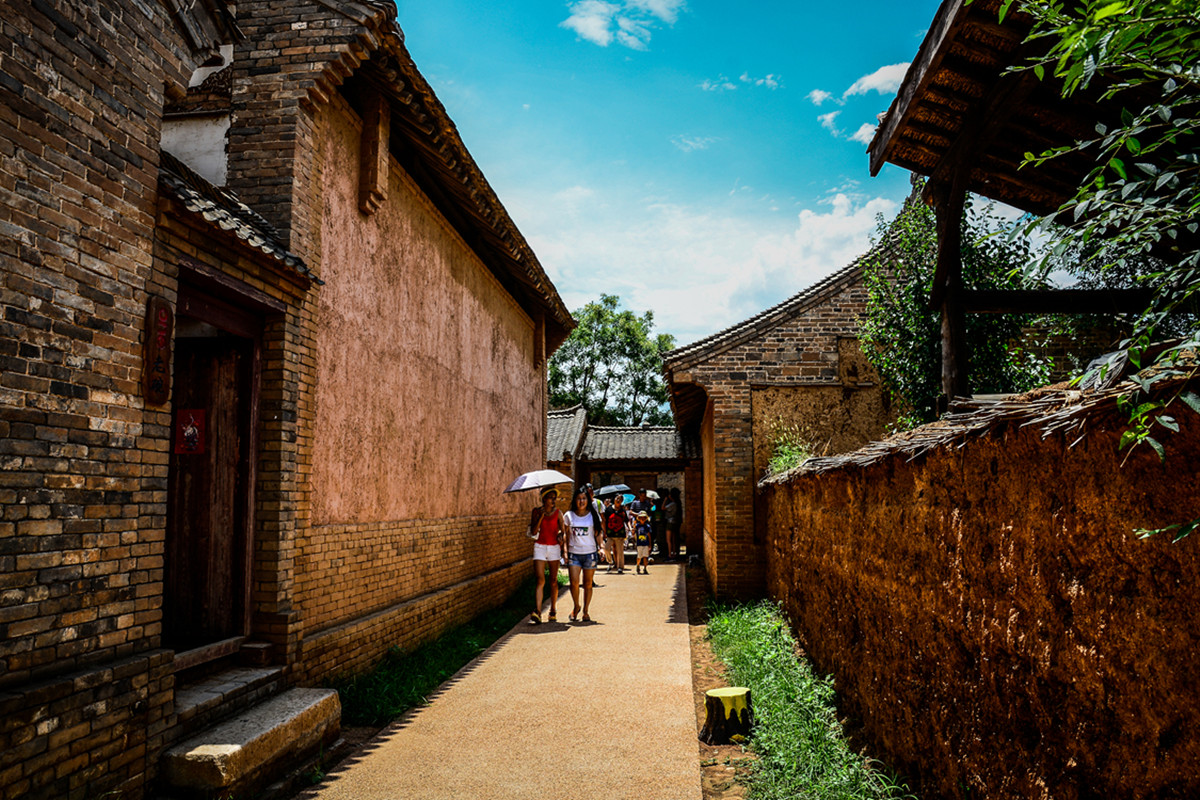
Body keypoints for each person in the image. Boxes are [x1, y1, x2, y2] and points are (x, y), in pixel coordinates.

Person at [564, 486, 603, 622]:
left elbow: (598, 534)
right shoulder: (568, 515)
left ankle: (586, 611)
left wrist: (602, 547)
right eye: (579, 499)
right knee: (574, 583)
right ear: (575, 500)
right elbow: (565, 535)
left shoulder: (593, 516)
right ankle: (576, 606)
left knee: (587, 584)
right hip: (574, 553)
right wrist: (564, 551)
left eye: (584, 498)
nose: (581, 501)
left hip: (589, 553)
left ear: (588, 500)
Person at [527, 486, 566, 624]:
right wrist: (541, 516)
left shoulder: (558, 513)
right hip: (540, 546)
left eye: (554, 498)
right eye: (551, 497)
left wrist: (562, 537)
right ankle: (537, 611)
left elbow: (563, 531)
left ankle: (553, 609)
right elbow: (533, 531)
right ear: (544, 499)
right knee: (540, 579)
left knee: (554, 580)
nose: (553, 500)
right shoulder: (536, 511)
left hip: (554, 547)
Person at [604, 493, 630, 574]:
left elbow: (626, 520)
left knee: (620, 551)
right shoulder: (608, 510)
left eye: (620, 499)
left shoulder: (622, 511)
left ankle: (620, 567)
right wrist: (604, 531)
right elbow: (605, 521)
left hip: (620, 534)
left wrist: (630, 528)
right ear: (614, 499)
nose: (618, 500)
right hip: (610, 533)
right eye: (617, 498)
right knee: (606, 548)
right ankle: (610, 562)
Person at [664, 488, 681, 561]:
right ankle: (674, 554)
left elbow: (662, 508)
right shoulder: (678, 503)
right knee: (674, 539)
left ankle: (669, 555)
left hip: (670, 522)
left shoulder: (672, 504)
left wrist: (665, 500)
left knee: (668, 540)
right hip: (675, 522)